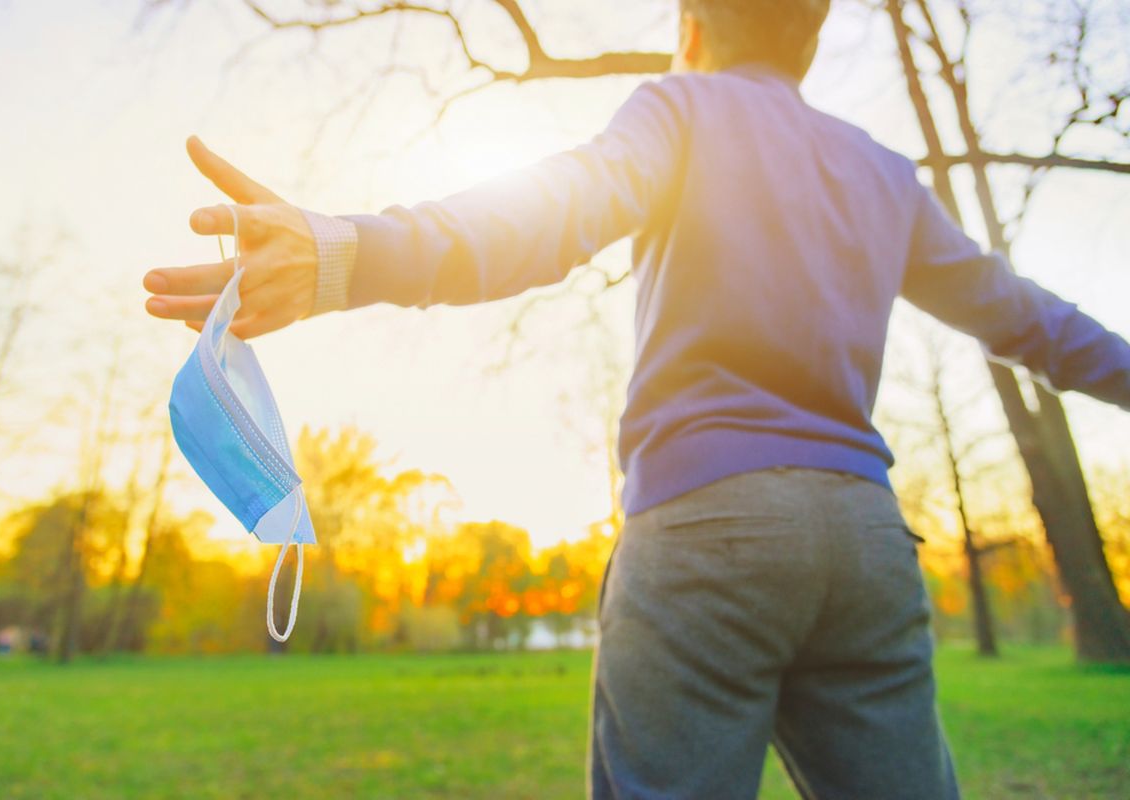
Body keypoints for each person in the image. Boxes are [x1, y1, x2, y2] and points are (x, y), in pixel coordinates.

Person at [143, 1, 1130, 797]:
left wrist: (352, 253)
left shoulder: (682, 109)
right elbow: (1027, 317)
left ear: (691, 27)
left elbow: (553, 213)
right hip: (864, 544)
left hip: (709, 535)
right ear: (813, 34)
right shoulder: (882, 174)